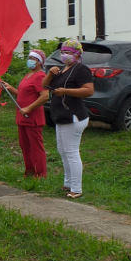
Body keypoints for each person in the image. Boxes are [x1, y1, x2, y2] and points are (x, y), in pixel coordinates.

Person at [42, 39, 94, 199]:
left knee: (71, 152)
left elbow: (88, 90)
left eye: (68, 52)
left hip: (73, 116)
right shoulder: (62, 70)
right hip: (61, 116)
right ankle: (68, 182)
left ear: (77, 54)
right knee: (62, 151)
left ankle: (76, 188)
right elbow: (44, 86)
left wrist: (66, 91)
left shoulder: (81, 69)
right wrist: (50, 74)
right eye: (63, 52)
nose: (64, 55)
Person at [2, 49, 50, 178]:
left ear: (39, 62)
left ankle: (40, 174)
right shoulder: (28, 75)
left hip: (32, 117)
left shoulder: (40, 76)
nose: (30, 60)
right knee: (24, 145)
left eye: (33, 58)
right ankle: (29, 171)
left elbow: (44, 96)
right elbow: (23, 95)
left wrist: (29, 108)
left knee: (35, 146)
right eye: (29, 58)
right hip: (22, 117)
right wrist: (11, 88)